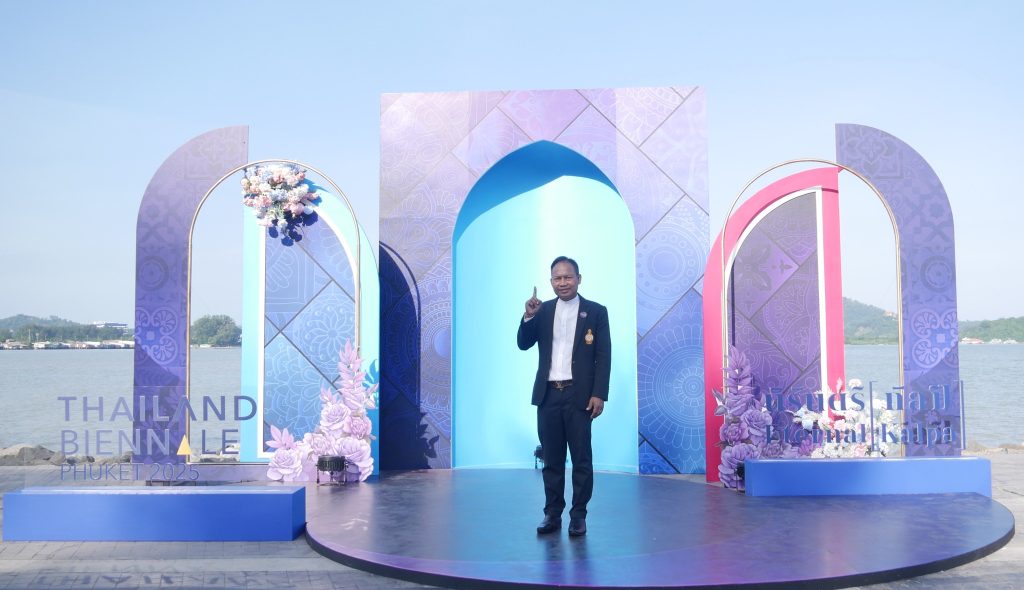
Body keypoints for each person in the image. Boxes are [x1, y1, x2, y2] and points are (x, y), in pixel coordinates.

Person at [517, 256, 610, 537]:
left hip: (579, 396)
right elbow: (523, 344)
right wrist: (528, 316)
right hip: (548, 395)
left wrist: (599, 394)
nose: (563, 283)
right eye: (557, 278)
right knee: (552, 460)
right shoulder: (542, 310)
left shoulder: (596, 312)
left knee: (581, 460)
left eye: (568, 277)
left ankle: (578, 516)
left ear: (579, 279)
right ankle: (552, 514)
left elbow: (603, 356)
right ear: (551, 282)